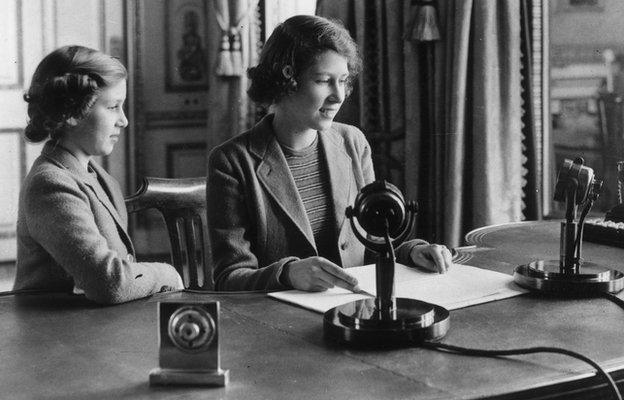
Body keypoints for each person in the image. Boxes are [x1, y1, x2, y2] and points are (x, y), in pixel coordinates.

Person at [207, 15, 453, 292]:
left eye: (344, 81)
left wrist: (412, 251)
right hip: (278, 322)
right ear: (285, 80)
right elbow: (229, 277)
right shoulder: (231, 162)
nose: (339, 96)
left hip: (354, 310)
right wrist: (287, 274)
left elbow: (371, 240)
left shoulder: (353, 142)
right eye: (324, 81)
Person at [13, 45, 184, 304]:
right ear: (72, 112)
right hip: (53, 336)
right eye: (113, 106)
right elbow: (110, 283)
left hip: (94, 325)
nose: (124, 120)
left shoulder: (100, 178)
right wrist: (167, 273)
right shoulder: (50, 184)